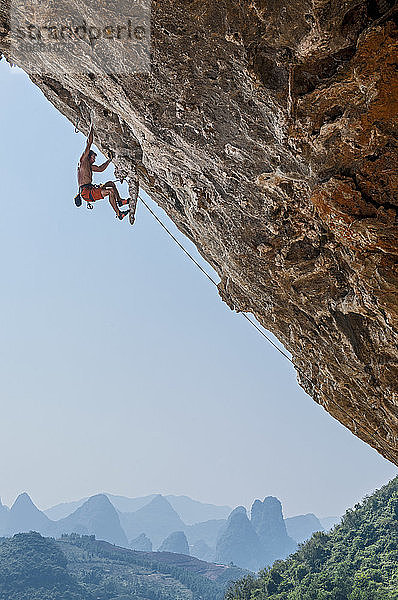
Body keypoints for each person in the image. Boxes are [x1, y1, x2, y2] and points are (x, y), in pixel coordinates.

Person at [77, 124, 130, 220]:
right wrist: (92, 128)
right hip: (86, 192)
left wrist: (109, 160)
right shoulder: (83, 161)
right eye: (93, 158)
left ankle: (120, 201)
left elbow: (101, 169)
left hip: (89, 189)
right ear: (89, 156)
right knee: (110, 191)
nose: (94, 160)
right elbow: (89, 143)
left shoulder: (89, 166)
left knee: (111, 184)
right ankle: (119, 214)